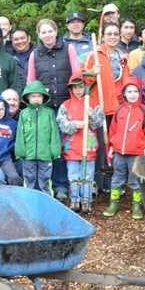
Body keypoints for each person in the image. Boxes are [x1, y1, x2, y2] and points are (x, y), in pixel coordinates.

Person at [27, 18, 80, 202]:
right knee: (50, 147)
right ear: (39, 35)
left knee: (65, 147)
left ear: (56, 31)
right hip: (46, 109)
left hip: (67, 106)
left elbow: (76, 77)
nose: (47, 35)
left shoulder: (69, 49)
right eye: (44, 32)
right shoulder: (35, 55)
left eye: (50, 31)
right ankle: (45, 185)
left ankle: (61, 185)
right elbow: (31, 83)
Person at [103, 78, 145, 220]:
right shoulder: (119, 110)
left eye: (135, 91)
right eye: (129, 91)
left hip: (136, 152)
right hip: (120, 151)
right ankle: (113, 204)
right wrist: (112, 146)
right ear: (124, 93)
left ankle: (136, 205)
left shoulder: (144, 110)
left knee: (134, 179)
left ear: (140, 93)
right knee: (117, 177)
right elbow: (113, 130)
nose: (132, 94)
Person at [56, 74, 104, 214]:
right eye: (75, 88)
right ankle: (75, 199)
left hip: (88, 146)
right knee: (73, 175)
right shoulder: (66, 105)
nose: (78, 90)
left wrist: (92, 116)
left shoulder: (93, 104)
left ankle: (86, 200)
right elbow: (61, 123)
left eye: (81, 87)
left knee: (87, 175)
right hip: (72, 147)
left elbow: (98, 123)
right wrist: (73, 124)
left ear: (85, 87)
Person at [15, 81, 61, 195]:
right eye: (33, 96)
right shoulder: (24, 114)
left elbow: (54, 133)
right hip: (28, 155)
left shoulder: (49, 113)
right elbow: (20, 134)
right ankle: (28, 199)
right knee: (29, 179)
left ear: (44, 97)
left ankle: (48, 200)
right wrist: (20, 151)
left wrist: (55, 151)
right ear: (27, 97)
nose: (36, 99)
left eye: (39, 96)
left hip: (45, 155)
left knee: (45, 179)